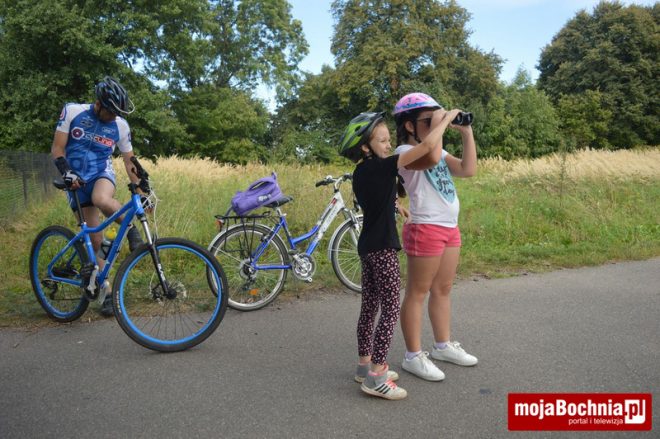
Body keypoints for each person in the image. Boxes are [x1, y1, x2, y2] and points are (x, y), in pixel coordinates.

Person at [339, 108, 459, 400]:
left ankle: (364, 366)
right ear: (365, 147)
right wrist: (445, 120)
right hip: (382, 248)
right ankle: (377, 375)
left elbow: (377, 199)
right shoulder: (382, 166)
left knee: (370, 307)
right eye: (382, 141)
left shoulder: (363, 172)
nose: (388, 145)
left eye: (388, 140)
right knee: (391, 307)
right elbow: (428, 147)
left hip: (368, 246)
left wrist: (397, 207)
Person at [392, 92, 478, 382]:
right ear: (409, 125)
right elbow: (428, 157)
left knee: (443, 289)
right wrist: (441, 122)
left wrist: (466, 131)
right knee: (417, 292)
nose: (435, 123)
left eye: (436, 119)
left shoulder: (437, 150)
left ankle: (442, 346)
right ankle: (413, 356)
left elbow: (468, 169)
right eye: (428, 120)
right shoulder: (405, 151)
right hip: (425, 228)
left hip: (449, 227)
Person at [51, 76, 143, 316]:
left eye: (117, 113)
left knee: (101, 199)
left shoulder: (120, 126)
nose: (114, 117)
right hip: (75, 179)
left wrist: (140, 188)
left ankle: (131, 231)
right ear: (98, 104)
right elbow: (58, 148)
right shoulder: (73, 111)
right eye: (110, 112)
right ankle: (106, 293)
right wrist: (66, 172)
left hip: (101, 173)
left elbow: (129, 162)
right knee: (96, 241)